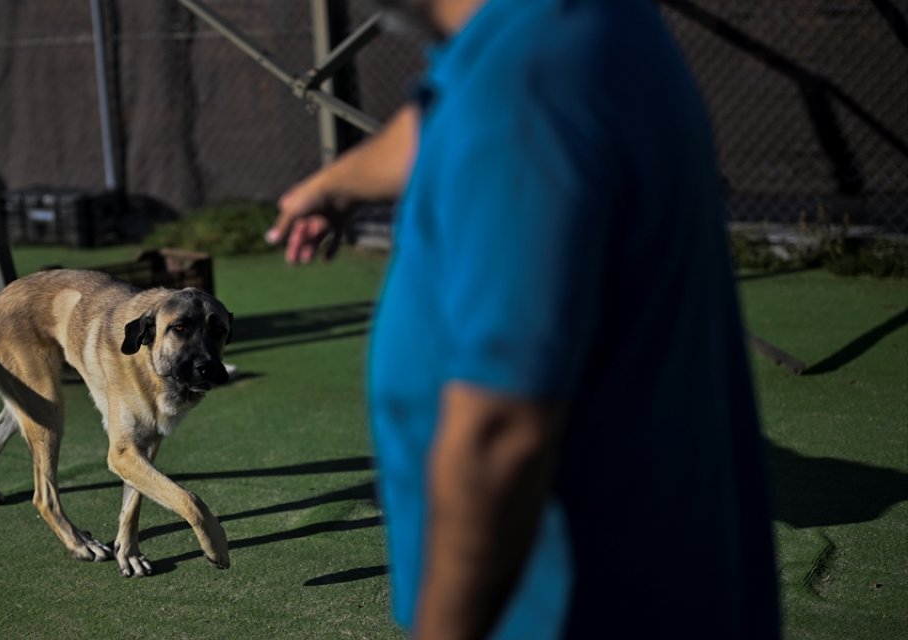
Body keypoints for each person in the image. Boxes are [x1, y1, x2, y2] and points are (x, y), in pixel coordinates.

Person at [267, 0, 780, 637]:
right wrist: (339, 182)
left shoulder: (525, 87)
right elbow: (445, 118)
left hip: (579, 610)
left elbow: (502, 433)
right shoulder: (565, 28)